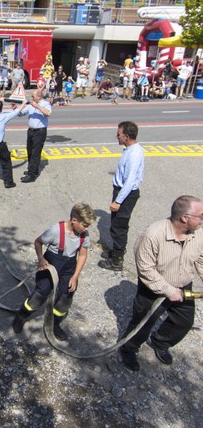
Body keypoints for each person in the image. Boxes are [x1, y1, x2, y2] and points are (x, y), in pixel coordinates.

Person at [119, 196, 203, 372]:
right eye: (200, 216)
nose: (202, 219)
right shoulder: (153, 235)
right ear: (185, 218)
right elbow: (145, 269)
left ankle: (160, 342)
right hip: (153, 289)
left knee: (183, 322)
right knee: (142, 323)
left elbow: (201, 260)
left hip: (183, 286)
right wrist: (168, 290)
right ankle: (129, 348)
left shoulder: (198, 234)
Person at [12, 203, 96, 340]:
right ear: (74, 220)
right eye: (85, 225)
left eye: (88, 226)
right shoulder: (56, 230)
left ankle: (55, 324)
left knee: (66, 297)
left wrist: (75, 276)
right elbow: (38, 242)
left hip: (69, 267)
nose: (86, 229)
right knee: (41, 293)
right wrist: (40, 259)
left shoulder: (83, 234)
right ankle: (21, 315)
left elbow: (82, 255)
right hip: (51, 264)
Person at [99, 121, 145, 271]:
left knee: (119, 226)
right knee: (115, 224)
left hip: (125, 194)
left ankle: (117, 261)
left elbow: (130, 180)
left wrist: (118, 201)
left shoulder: (134, 154)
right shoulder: (130, 149)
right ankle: (115, 251)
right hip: (121, 191)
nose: (116, 136)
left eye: (118, 134)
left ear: (126, 136)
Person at [19, 90, 52, 183]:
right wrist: (17, 109)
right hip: (31, 131)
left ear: (39, 96)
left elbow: (48, 113)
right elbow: (22, 113)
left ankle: (32, 175)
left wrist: (37, 106)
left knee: (35, 153)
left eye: (33, 96)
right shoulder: (31, 105)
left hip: (40, 132)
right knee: (29, 151)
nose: (32, 98)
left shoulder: (45, 104)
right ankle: (32, 169)